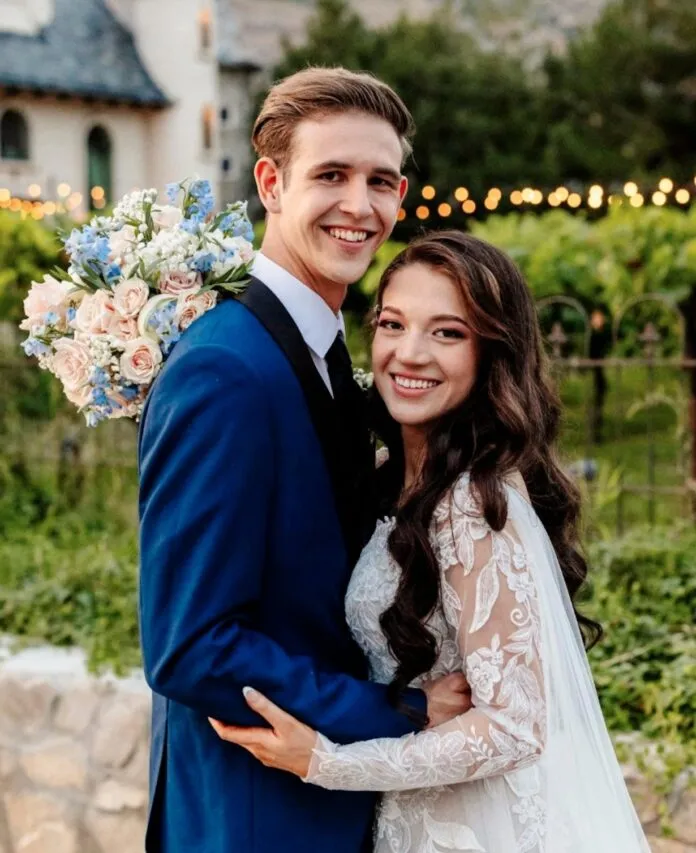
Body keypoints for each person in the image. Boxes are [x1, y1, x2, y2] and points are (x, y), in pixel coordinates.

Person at [210, 231, 652, 853]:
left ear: (491, 354)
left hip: (478, 828)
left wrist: (329, 762)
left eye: (447, 333)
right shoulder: (391, 474)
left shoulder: (473, 501)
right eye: (393, 324)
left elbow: (513, 726)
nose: (409, 353)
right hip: (411, 818)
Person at [138, 70, 470, 853]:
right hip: (258, 809)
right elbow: (193, 643)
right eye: (332, 175)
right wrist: (396, 711)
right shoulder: (226, 369)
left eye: (381, 181)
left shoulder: (318, 351)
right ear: (271, 183)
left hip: (326, 801)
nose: (361, 206)